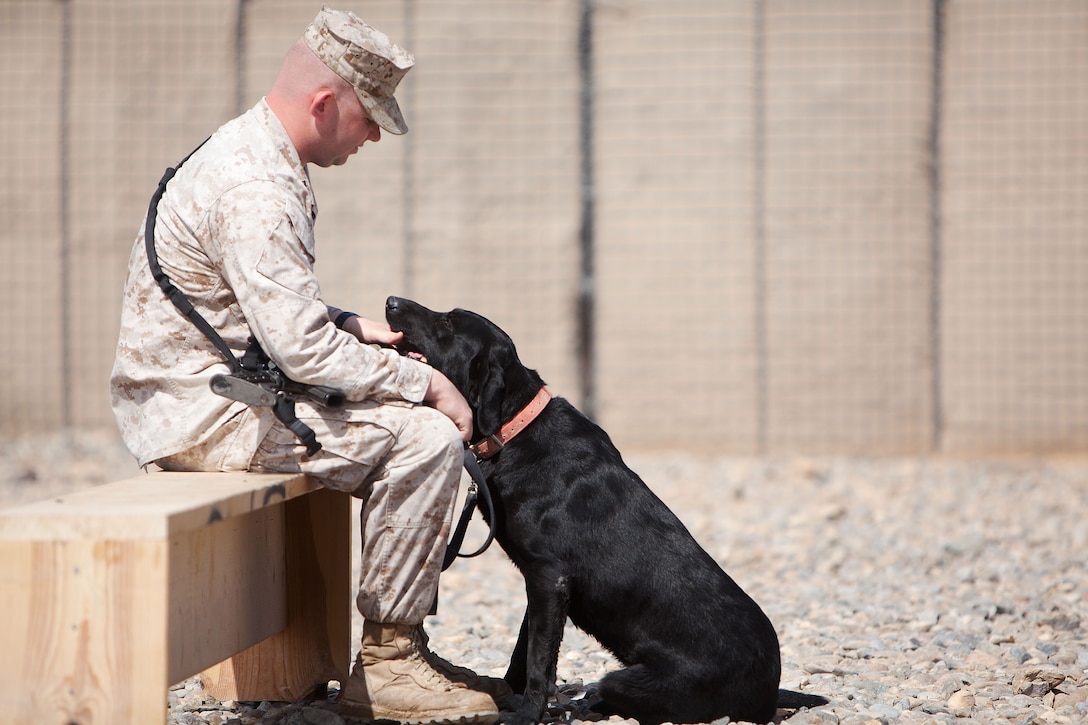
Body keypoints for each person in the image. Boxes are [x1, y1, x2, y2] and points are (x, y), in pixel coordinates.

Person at [110, 6, 509, 724]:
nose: (376, 136)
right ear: (325, 103)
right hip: (205, 417)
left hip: (204, 393)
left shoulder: (250, 151)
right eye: (369, 118)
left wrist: (348, 323)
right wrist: (430, 384)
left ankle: (392, 654)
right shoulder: (257, 187)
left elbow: (258, 314)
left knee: (396, 410)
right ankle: (390, 666)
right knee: (423, 438)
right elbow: (299, 352)